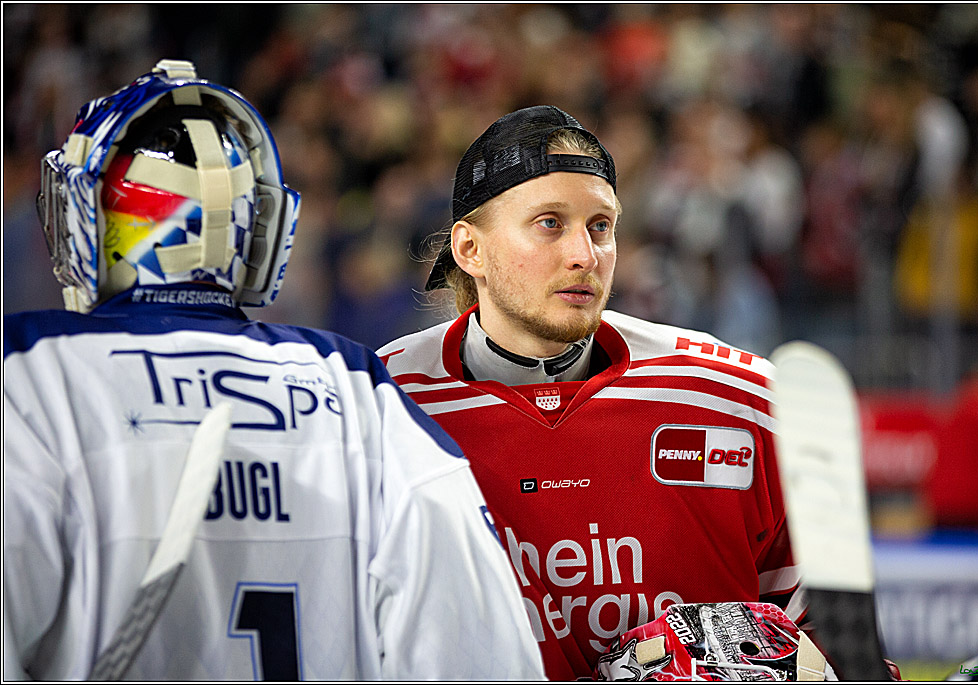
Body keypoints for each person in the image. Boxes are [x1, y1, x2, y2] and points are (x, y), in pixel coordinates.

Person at [3, 60, 544, 681]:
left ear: (88, 216)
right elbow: (481, 656)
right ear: (257, 228)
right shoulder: (355, 387)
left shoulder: (28, 376)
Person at [376, 105, 805, 679]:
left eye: (600, 226)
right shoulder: (383, 407)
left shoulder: (738, 401)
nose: (585, 255)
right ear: (470, 250)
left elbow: (825, 644)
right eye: (549, 223)